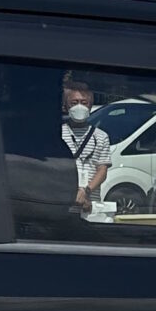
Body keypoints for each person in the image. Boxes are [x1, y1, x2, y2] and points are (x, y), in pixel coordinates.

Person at [61, 73, 111, 213]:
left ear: (90, 106)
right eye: (74, 102)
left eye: (84, 103)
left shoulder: (101, 136)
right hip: (63, 202)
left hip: (90, 203)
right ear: (65, 106)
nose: (79, 107)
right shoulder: (58, 133)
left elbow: (102, 170)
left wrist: (86, 191)